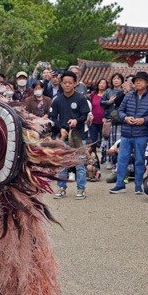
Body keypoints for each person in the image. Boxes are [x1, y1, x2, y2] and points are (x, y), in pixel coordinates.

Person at [110, 71, 148, 195]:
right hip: (126, 133)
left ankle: (138, 185)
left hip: (141, 134)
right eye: (136, 81)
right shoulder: (128, 96)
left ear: (147, 83)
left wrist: (144, 120)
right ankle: (120, 184)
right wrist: (125, 118)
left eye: (140, 80)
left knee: (139, 160)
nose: (137, 82)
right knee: (122, 159)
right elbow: (120, 111)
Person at [49, 71, 89, 199]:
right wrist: (60, 129)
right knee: (62, 164)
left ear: (75, 83)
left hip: (78, 136)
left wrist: (77, 120)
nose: (67, 85)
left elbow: (85, 116)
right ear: (61, 83)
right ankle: (61, 188)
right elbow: (53, 118)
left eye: (70, 83)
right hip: (64, 136)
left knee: (79, 164)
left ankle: (81, 189)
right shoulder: (57, 100)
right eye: (65, 82)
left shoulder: (81, 98)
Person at [100, 73, 124, 171]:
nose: (116, 80)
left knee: (120, 141)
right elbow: (101, 102)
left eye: (118, 79)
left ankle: (119, 161)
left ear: (122, 81)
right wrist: (109, 102)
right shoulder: (108, 91)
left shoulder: (124, 92)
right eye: (114, 79)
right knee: (109, 141)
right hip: (109, 119)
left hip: (121, 120)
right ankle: (109, 160)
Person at [88, 78, 108, 158]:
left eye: (104, 83)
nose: (102, 85)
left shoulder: (108, 96)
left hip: (104, 122)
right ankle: (93, 156)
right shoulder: (93, 96)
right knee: (93, 140)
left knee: (104, 141)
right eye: (100, 83)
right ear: (98, 84)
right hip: (93, 122)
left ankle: (104, 157)